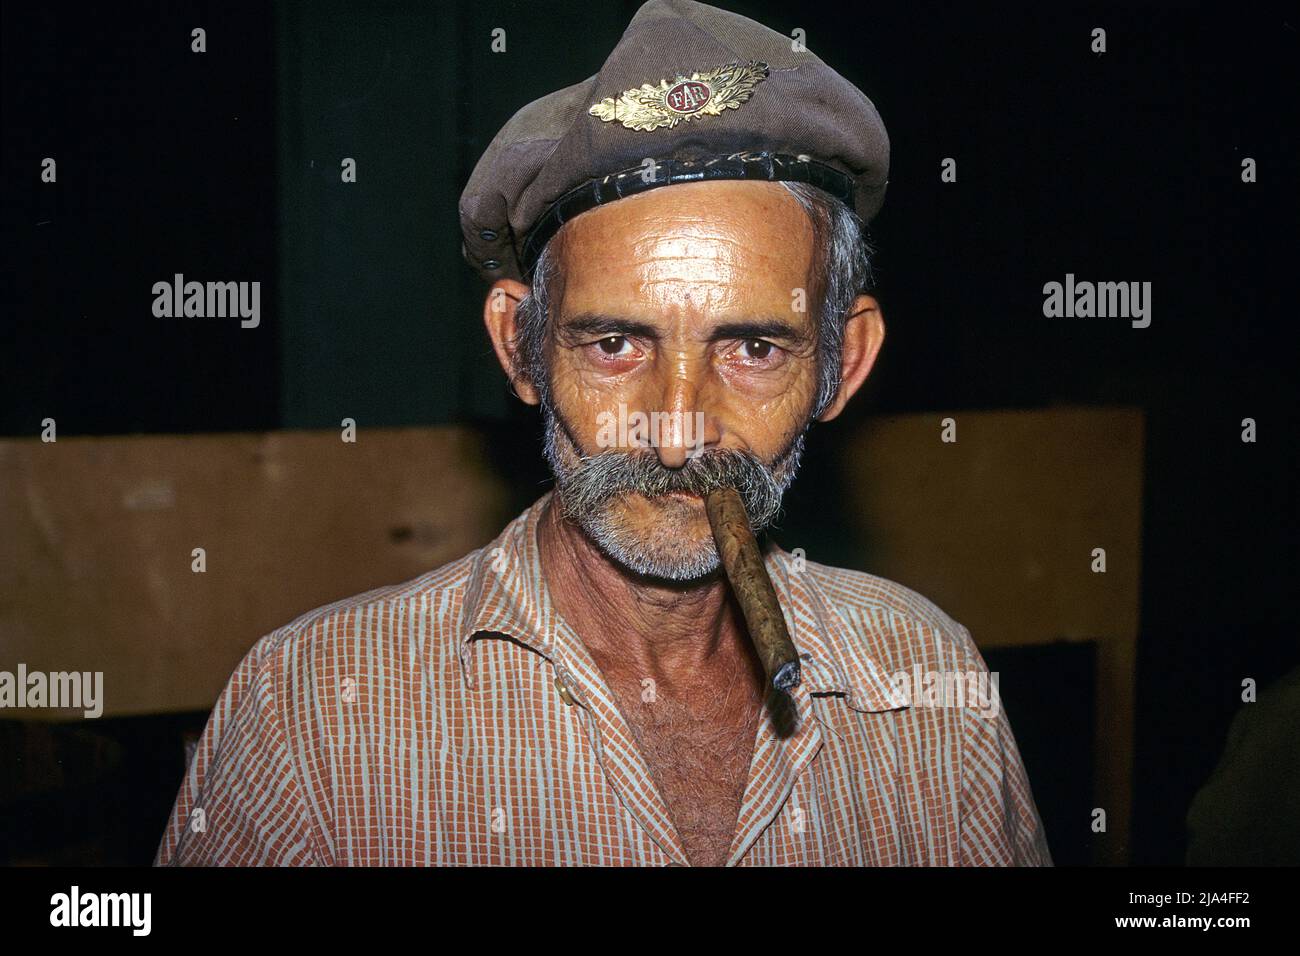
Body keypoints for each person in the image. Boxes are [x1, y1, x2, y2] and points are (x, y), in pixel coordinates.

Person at [156, 0, 1051, 867]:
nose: (676, 437)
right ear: (520, 347)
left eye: (752, 347)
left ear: (842, 364)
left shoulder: (930, 685)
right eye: (616, 343)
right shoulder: (309, 716)